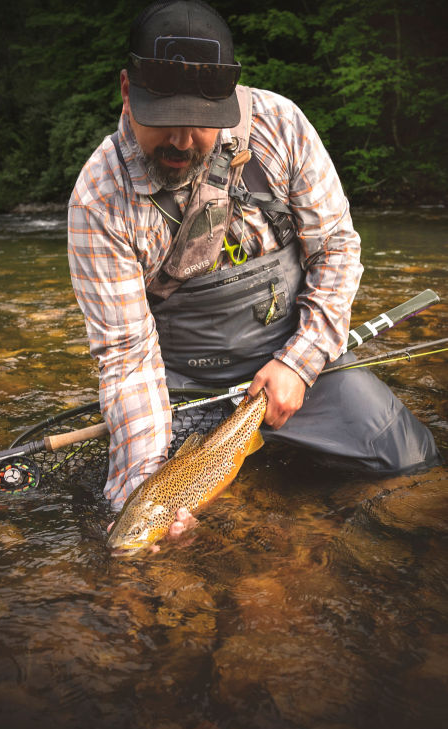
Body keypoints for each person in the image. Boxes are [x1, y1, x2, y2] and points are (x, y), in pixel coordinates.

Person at [68, 0, 441, 534]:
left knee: (409, 459)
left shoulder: (280, 127)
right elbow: (127, 357)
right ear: (127, 93)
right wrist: (146, 491)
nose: (179, 141)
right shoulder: (99, 198)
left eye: (199, 124)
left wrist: (300, 360)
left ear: (229, 102)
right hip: (179, 387)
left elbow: (335, 249)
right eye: (164, 120)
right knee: (141, 517)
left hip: (293, 366)